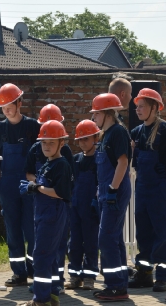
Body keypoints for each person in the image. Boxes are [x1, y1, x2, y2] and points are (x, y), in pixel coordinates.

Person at [128, 88, 166, 291]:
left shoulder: (165, 129)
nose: (138, 110)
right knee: (143, 233)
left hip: (161, 187)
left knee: (162, 233)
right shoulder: (136, 132)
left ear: (155, 108)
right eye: (137, 107)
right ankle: (144, 274)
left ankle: (163, 277)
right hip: (143, 187)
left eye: (142, 106)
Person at [0, 83, 40, 286]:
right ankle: (19, 273)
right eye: (3, 107)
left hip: (29, 186)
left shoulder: (33, 126)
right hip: (7, 186)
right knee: (13, 230)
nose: (7, 110)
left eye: (10, 105)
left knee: (32, 228)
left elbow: (42, 155)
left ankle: (35, 270)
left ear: (19, 103)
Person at [18, 120, 73, 306]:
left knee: (41, 258)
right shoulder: (48, 164)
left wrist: (37, 188)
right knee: (48, 258)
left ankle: (41, 300)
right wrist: (33, 187)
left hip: (53, 215)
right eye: (43, 142)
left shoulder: (61, 165)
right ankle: (52, 297)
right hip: (42, 215)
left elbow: (61, 192)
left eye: (51, 142)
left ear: (61, 143)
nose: (46, 146)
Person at [90, 93, 132, 301]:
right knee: (113, 238)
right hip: (107, 192)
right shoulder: (106, 133)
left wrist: (113, 190)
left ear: (107, 113)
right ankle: (119, 282)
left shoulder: (117, 133)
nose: (93, 118)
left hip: (115, 192)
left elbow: (122, 162)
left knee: (106, 238)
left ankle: (115, 285)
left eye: (96, 114)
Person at [65, 119, 100, 291]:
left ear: (95, 138)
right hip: (75, 206)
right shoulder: (75, 160)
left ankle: (89, 277)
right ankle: (74, 276)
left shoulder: (99, 159)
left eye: (86, 138)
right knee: (75, 243)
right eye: (80, 139)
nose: (83, 142)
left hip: (91, 208)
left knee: (91, 242)